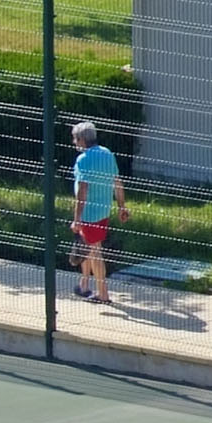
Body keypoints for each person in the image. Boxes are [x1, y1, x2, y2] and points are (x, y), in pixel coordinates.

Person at [70, 120, 128, 305]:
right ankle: (85, 284)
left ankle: (103, 294)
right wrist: (121, 206)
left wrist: (77, 218)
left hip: (89, 213)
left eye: (75, 139)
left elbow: (82, 190)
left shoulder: (83, 160)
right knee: (85, 247)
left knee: (95, 251)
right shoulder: (107, 154)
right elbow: (117, 182)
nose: (74, 143)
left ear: (81, 139)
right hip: (104, 210)